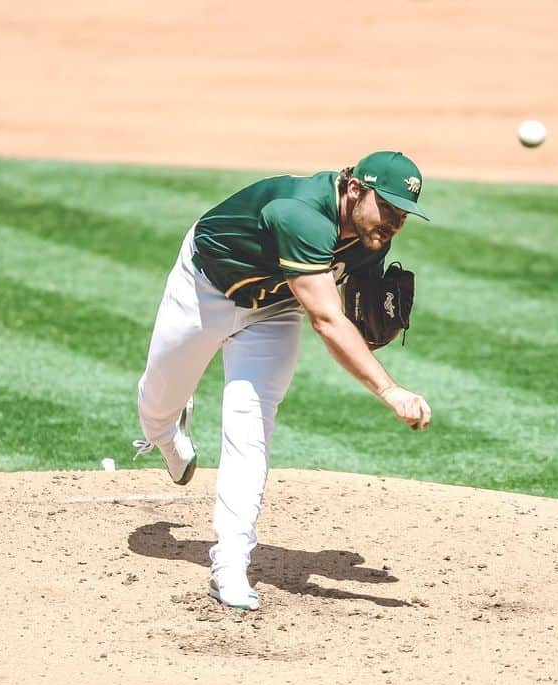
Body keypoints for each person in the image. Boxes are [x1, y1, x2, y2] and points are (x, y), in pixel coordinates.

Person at [133, 150, 432, 611]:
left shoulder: (373, 240)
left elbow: (354, 320)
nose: (393, 222)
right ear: (355, 189)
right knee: (157, 405)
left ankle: (229, 564)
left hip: (274, 312)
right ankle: (167, 434)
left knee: (250, 426)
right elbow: (328, 321)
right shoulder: (300, 214)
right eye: (387, 208)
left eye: (403, 214)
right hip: (204, 290)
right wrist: (390, 390)